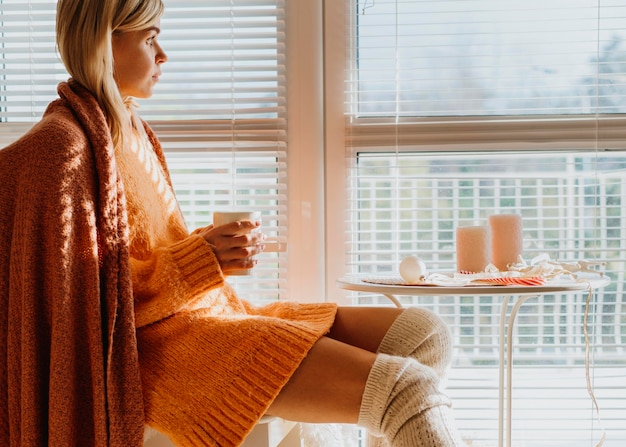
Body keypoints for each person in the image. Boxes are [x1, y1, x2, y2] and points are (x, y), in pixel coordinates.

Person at [0, 0, 467, 446]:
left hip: (208, 319)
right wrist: (200, 259)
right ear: (104, 42)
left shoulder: (132, 129)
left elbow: (134, 255)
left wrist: (207, 249)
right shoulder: (63, 145)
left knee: (425, 334)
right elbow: (82, 306)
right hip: (160, 355)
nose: (163, 54)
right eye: (150, 39)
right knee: (408, 391)